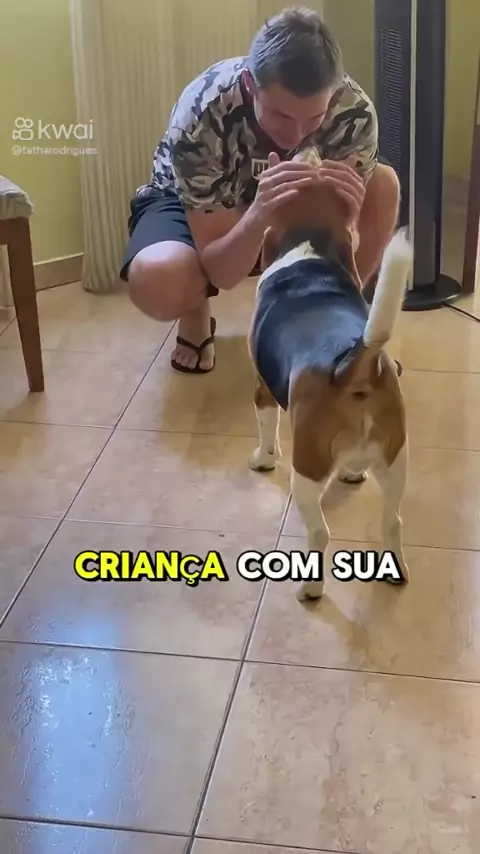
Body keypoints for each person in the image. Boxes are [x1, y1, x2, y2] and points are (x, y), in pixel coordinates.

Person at [120, 7, 400, 374]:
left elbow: (344, 242)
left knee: (383, 185)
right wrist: (258, 216)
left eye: (313, 118)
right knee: (159, 279)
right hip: (195, 205)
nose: (296, 135)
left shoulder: (352, 111)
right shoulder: (202, 113)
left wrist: (347, 224)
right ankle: (194, 309)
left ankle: (338, 322)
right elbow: (223, 272)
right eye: (282, 115)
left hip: (292, 200)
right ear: (251, 84)